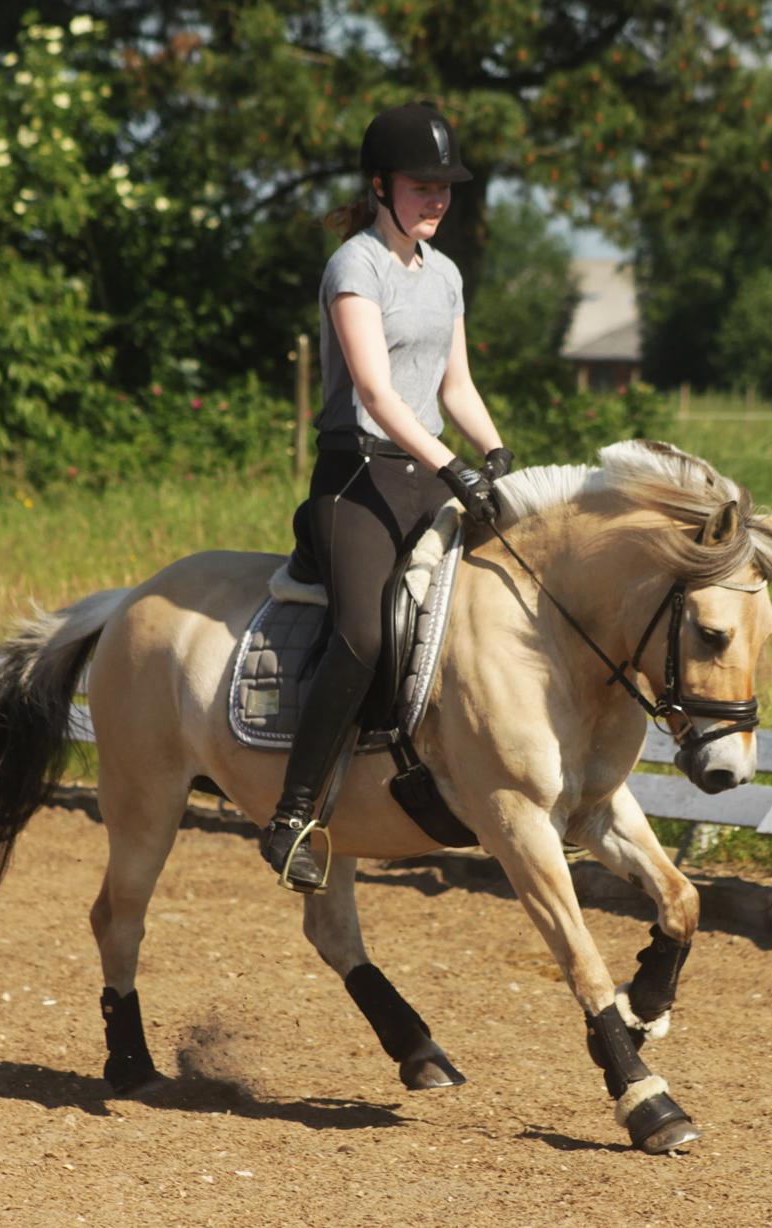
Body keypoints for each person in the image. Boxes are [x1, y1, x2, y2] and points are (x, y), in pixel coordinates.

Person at [260, 100, 513, 892]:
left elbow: (456, 385)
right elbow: (374, 389)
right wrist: (454, 467)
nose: (437, 198)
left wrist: (498, 452)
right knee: (366, 634)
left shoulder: (445, 276)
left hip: (427, 474)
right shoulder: (356, 266)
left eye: (446, 187)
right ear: (380, 185)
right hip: (357, 479)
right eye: (421, 185)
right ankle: (292, 814)